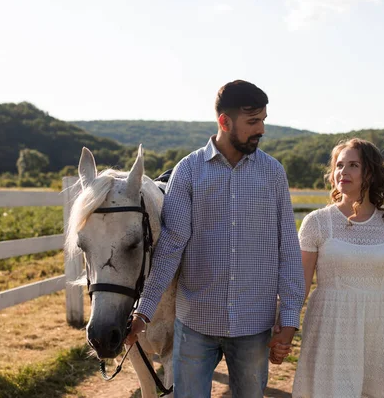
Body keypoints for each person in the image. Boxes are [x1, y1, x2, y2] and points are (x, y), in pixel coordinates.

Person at [125, 80, 305, 398]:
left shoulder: (273, 173)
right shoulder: (189, 171)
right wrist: (143, 310)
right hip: (195, 323)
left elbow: (288, 249)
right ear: (224, 121)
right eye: (253, 122)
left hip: (254, 324)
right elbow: (170, 247)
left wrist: (288, 319)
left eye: (263, 119)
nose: (261, 129)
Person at [290, 138, 384, 397]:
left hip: (377, 327)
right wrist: (285, 329)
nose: (343, 172)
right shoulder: (317, 222)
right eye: (339, 165)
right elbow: (299, 285)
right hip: (330, 325)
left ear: (370, 172)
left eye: (353, 165)